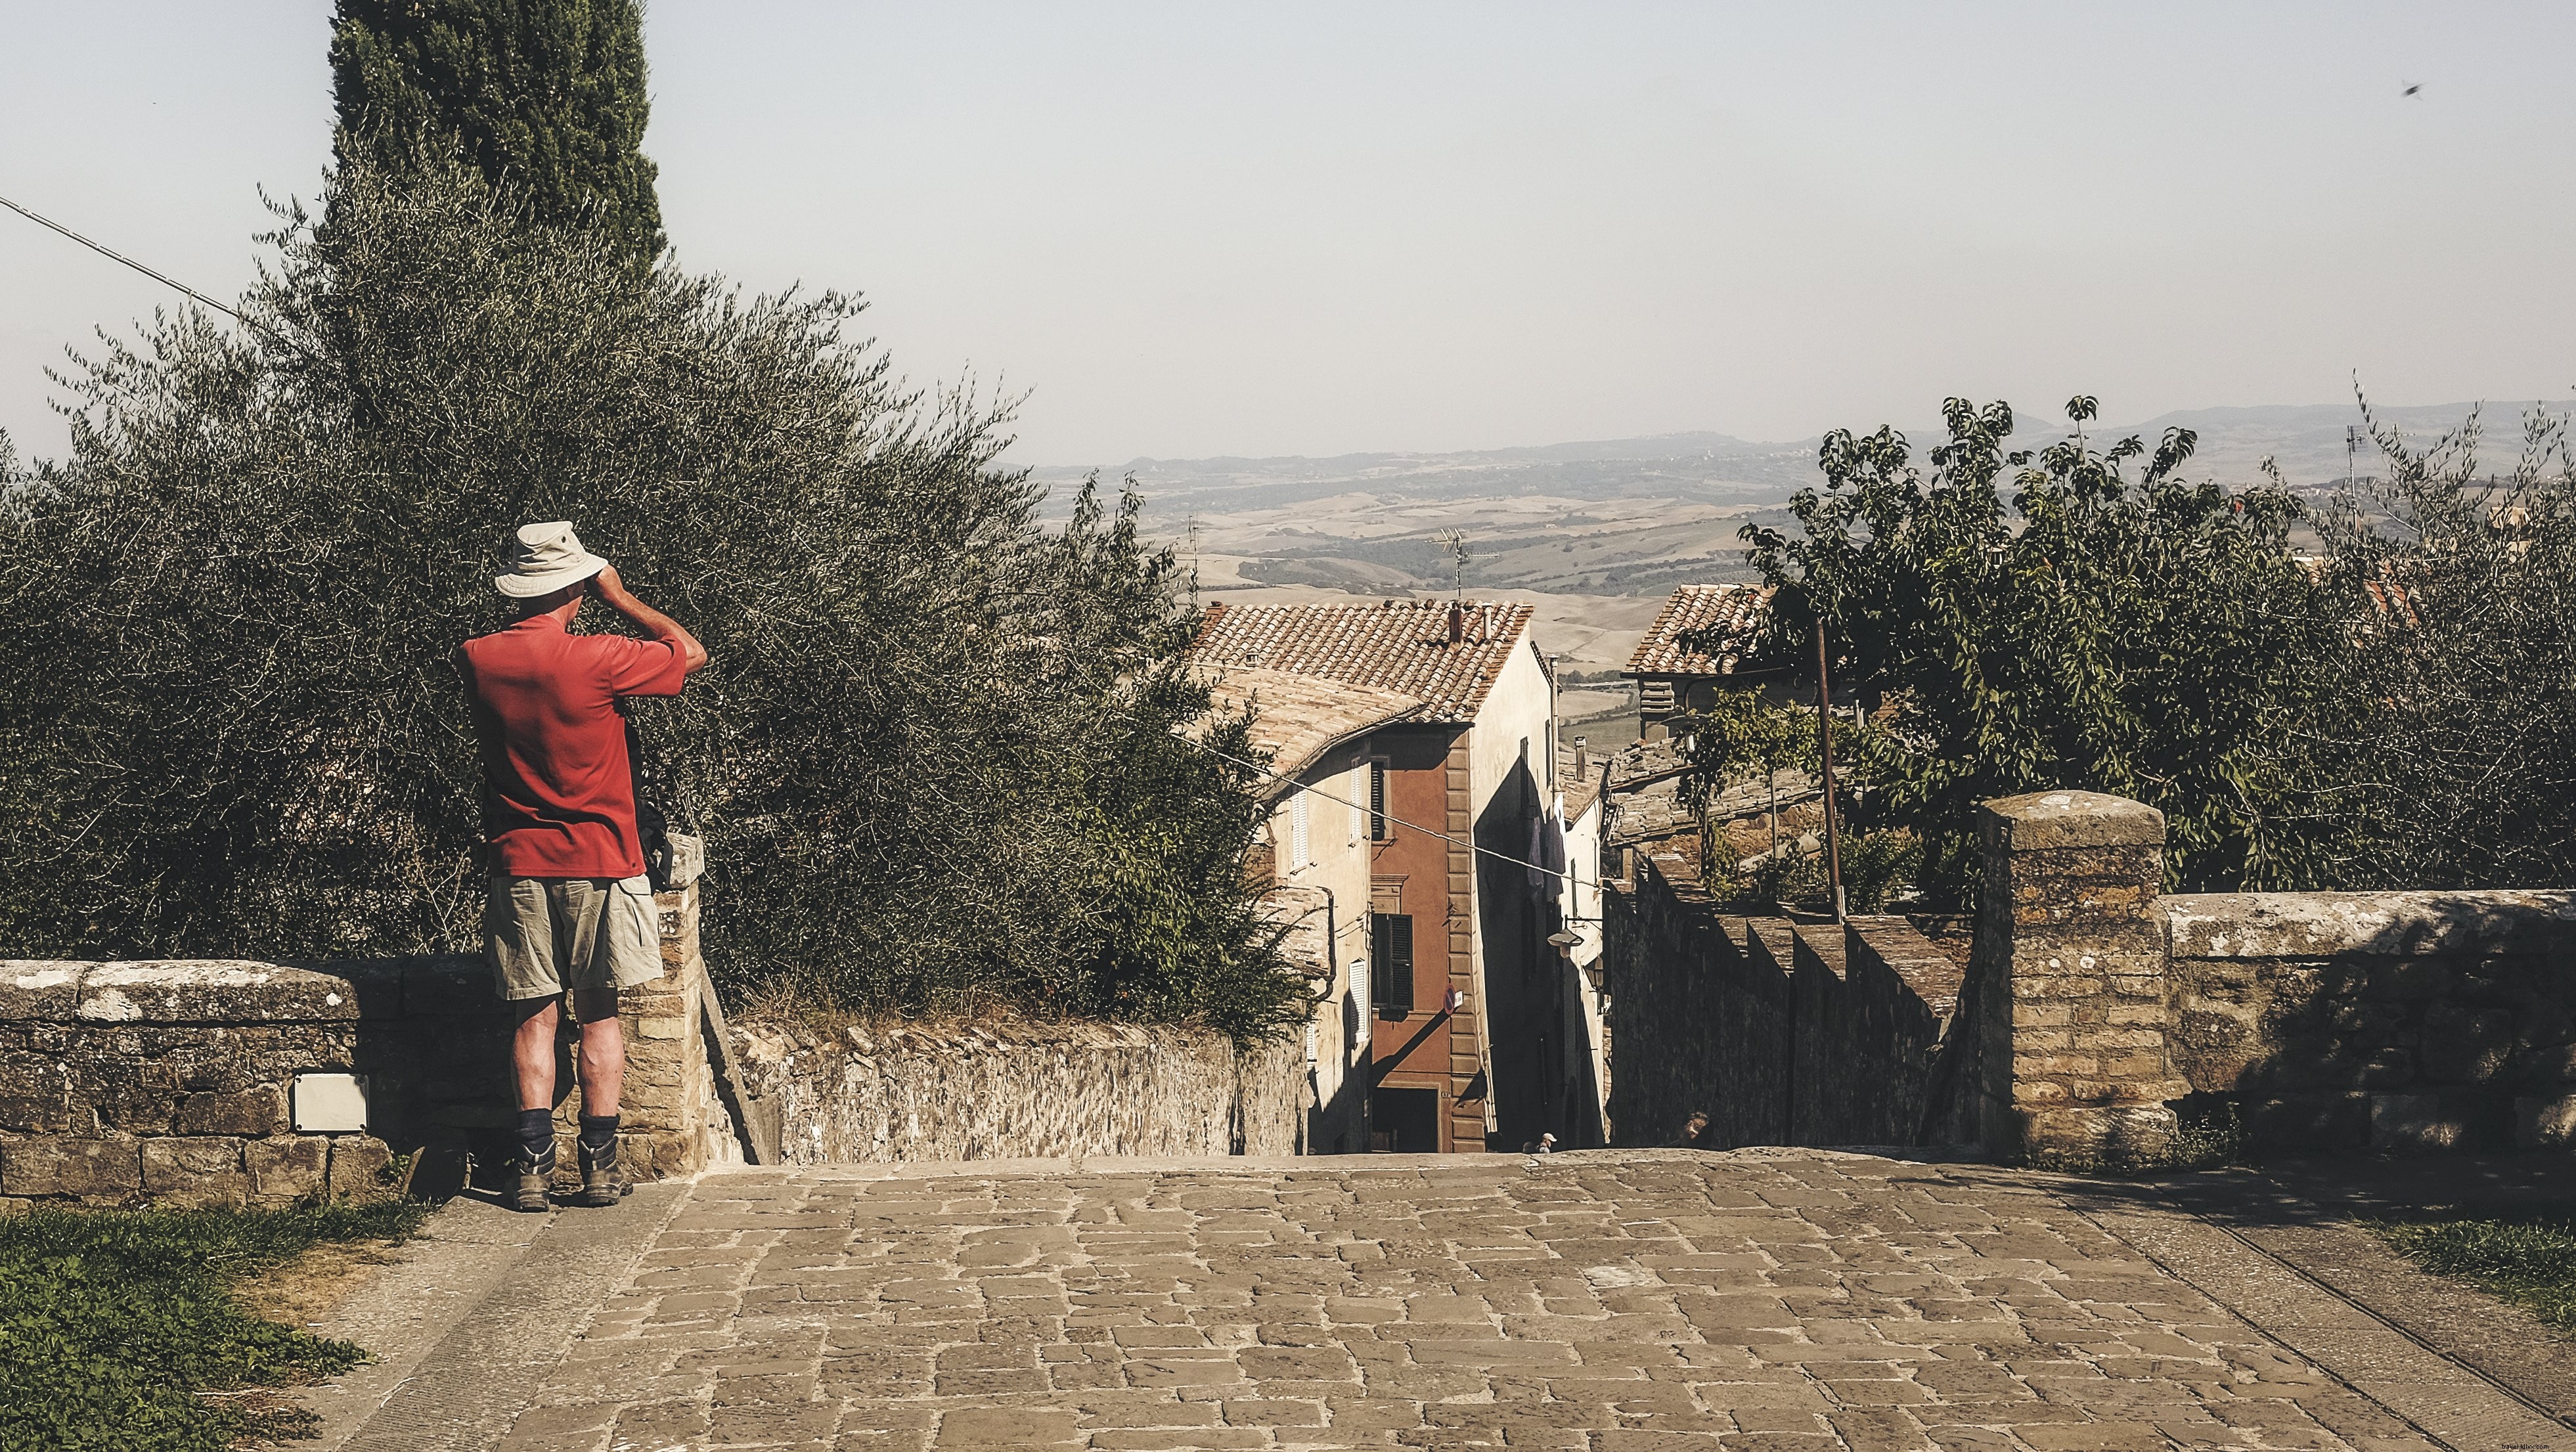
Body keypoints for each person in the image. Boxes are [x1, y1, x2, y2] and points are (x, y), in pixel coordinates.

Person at [458, 522, 709, 1212]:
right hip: (603, 859)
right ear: (573, 586)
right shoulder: (600, 657)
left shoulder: (477, 657)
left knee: (533, 1021)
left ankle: (533, 1172)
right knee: (599, 1017)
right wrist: (619, 594)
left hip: (519, 862)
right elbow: (690, 652)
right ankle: (599, 1170)